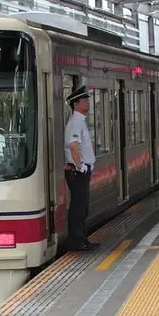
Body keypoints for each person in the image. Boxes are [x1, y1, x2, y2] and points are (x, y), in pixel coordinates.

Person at [64, 84, 98, 251]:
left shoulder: (79, 120)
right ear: (75, 104)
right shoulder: (76, 121)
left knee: (82, 208)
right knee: (78, 209)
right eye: (84, 100)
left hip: (79, 171)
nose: (88, 102)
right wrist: (80, 166)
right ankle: (77, 242)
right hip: (77, 172)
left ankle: (82, 239)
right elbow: (73, 145)